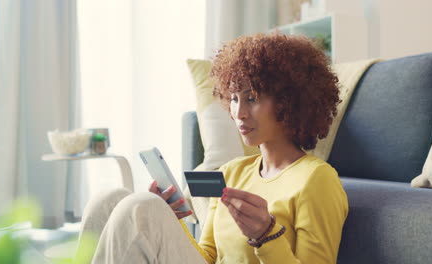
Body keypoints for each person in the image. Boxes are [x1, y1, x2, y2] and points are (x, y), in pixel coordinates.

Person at [74, 33, 348, 264]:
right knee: (109, 201)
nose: (238, 113)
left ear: (289, 102)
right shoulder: (233, 172)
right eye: (233, 99)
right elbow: (208, 257)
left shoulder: (316, 179)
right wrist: (169, 223)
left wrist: (267, 235)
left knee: (140, 208)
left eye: (251, 98)